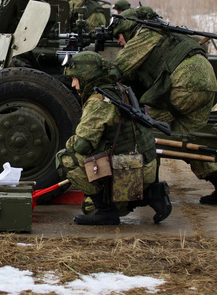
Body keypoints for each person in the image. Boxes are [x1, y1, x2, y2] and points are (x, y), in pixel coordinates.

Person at [111, 7, 217, 205]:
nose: (119, 41)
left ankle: (151, 192)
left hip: (185, 84)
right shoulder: (166, 31)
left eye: (119, 36)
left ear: (128, 28)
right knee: (190, 139)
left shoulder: (145, 34)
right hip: (206, 82)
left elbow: (119, 67)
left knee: (146, 131)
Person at [57, 51, 172, 225]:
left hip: (129, 169)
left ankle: (105, 211)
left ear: (86, 76)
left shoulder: (98, 101)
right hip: (144, 166)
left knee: (66, 158)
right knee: (88, 207)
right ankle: (153, 194)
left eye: (75, 78)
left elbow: (82, 145)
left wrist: (70, 142)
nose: (73, 84)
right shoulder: (119, 89)